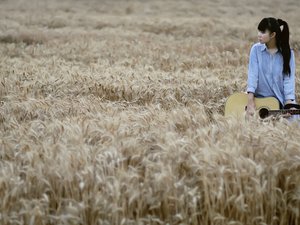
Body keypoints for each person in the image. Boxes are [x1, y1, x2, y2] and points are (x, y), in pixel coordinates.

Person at [246, 17, 298, 118]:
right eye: (259, 31)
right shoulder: (255, 50)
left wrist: (288, 103)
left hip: (281, 99)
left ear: (273, 34)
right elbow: (252, 75)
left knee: (293, 120)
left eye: (263, 32)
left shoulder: (288, 53)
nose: (259, 35)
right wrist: (250, 101)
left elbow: (288, 79)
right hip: (259, 99)